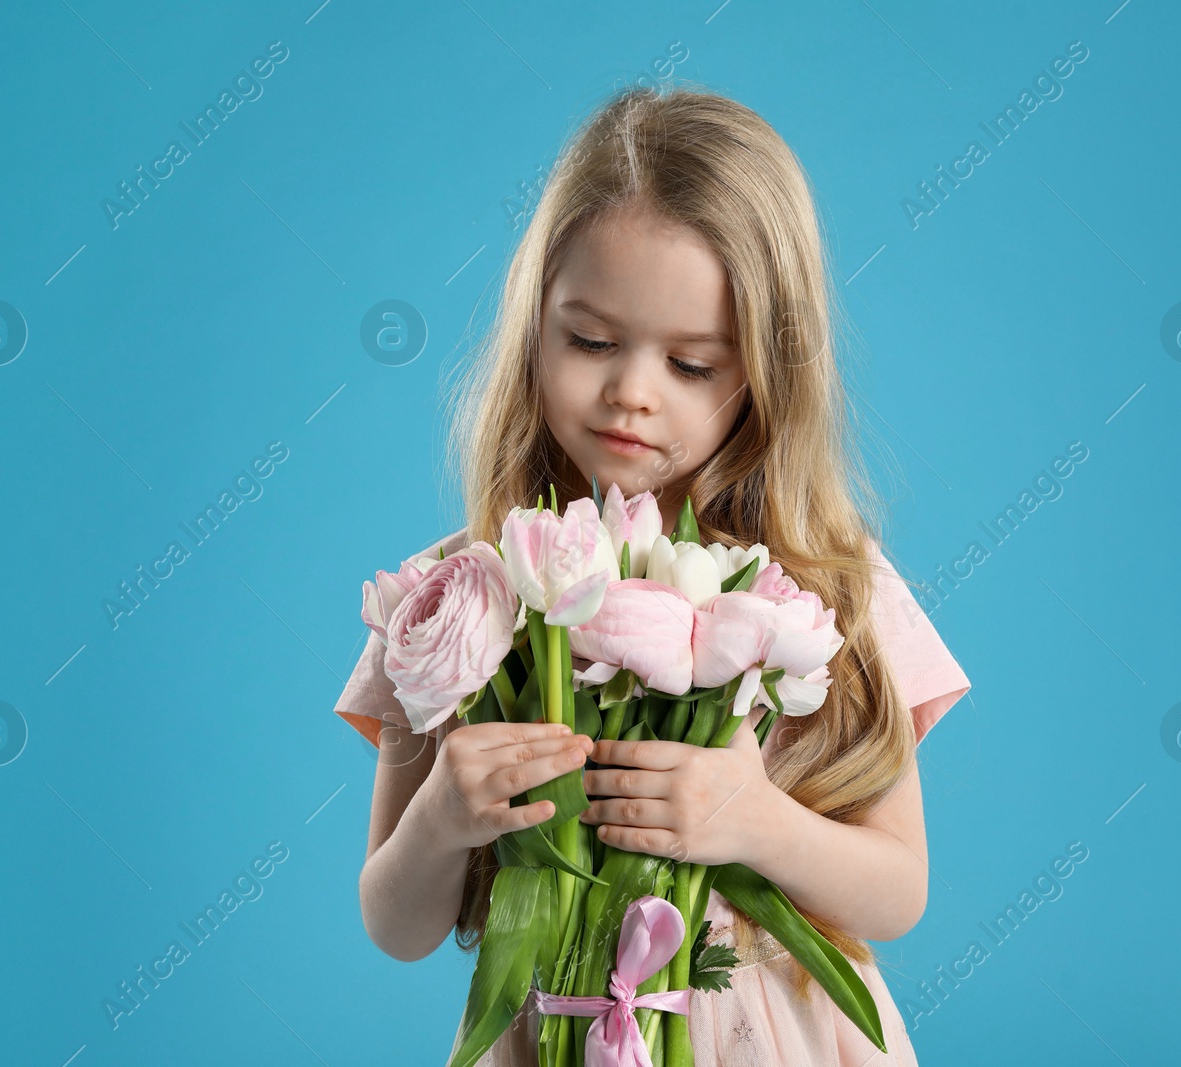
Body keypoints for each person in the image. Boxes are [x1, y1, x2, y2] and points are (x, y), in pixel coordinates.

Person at [333, 85, 972, 1066]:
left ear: (765, 371)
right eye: (590, 340)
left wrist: (757, 820)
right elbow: (396, 922)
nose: (631, 390)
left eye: (692, 362)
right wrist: (441, 817)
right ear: (532, 325)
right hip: (556, 1032)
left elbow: (898, 890)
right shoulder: (457, 595)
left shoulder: (823, 586)